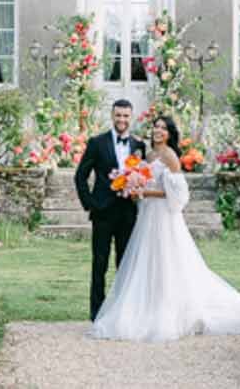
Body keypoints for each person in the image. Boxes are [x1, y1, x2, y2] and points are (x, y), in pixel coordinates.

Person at [88, 112, 240, 342]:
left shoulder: (170, 156)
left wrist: (145, 192)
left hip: (163, 217)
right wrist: (135, 186)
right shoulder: (150, 153)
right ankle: (146, 306)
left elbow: (179, 194)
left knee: (166, 260)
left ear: (169, 133)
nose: (158, 131)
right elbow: (146, 177)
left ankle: (168, 311)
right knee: (146, 260)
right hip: (146, 215)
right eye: (156, 126)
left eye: (163, 128)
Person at [73, 98, 145, 320]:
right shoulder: (97, 143)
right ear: (112, 116)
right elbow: (80, 176)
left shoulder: (138, 145)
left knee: (125, 264)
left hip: (127, 213)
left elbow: (143, 177)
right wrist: (90, 204)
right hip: (103, 212)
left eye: (125, 116)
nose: (121, 120)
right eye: (118, 115)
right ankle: (96, 313)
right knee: (100, 263)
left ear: (130, 118)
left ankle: (122, 312)